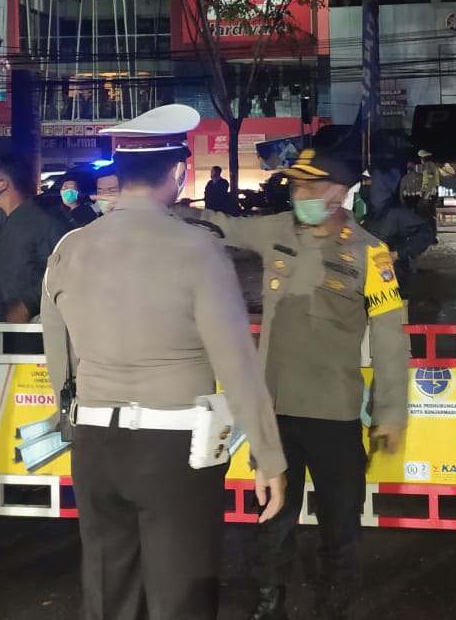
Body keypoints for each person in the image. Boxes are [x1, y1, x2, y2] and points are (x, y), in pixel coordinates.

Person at [42, 104, 286, 620]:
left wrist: (77, 416)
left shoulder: (70, 247)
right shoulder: (196, 249)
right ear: (177, 172)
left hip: (94, 443)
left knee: (108, 592)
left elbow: (58, 352)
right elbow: (236, 363)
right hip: (175, 449)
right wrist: (268, 455)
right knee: (181, 595)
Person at [194, 147, 409, 620]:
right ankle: (268, 602)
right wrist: (161, 211)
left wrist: (391, 412)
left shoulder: (370, 253)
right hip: (276, 411)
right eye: (296, 185)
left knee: (340, 521)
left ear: (338, 193)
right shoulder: (277, 230)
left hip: (335, 412)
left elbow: (390, 336)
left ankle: (334, 601)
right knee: (273, 517)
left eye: (311, 186)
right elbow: (221, 225)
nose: (300, 194)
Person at [0, 153, 69, 324]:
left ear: (3, 184)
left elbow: (57, 271)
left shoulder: (45, 222)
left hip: (25, 324)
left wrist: (28, 304)